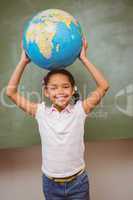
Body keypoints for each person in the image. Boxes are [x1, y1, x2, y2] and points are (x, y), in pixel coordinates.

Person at [6, 36, 109, 200]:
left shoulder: (80, 110)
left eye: (65, 86)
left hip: (78, 183)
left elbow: (103, 86)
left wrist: (83, 58)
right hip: (50, 184)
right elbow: (10, 93)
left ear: (73, 89)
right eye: (53, 88)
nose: (60, 91)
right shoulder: (40, 112)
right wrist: (23, 62)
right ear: (46, 92)